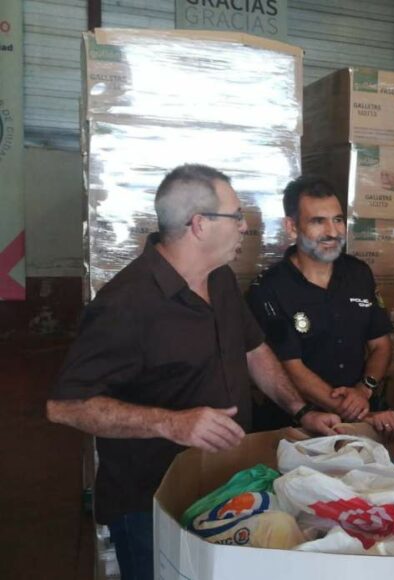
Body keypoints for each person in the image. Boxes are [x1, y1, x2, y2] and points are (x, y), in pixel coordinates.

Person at [46, 165, 340, 580]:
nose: (244, 227)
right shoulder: (126, 303)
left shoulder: (219, 279)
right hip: (150, 504)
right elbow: (65, 406)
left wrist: (301, 411)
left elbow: (254, 349)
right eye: (236, 216)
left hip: (220, 486)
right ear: (200, 224)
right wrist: (173, 423)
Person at [246, 176, 394, 434]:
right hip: (300, 426)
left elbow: (380, 345)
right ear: (292, 227)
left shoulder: (358, 273)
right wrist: (355, 412)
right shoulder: (267, 289)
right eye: (318, 221)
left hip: (363, 412)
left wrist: (364, 390)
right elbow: (291, 367)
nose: (333, 232)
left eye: (338, 220)